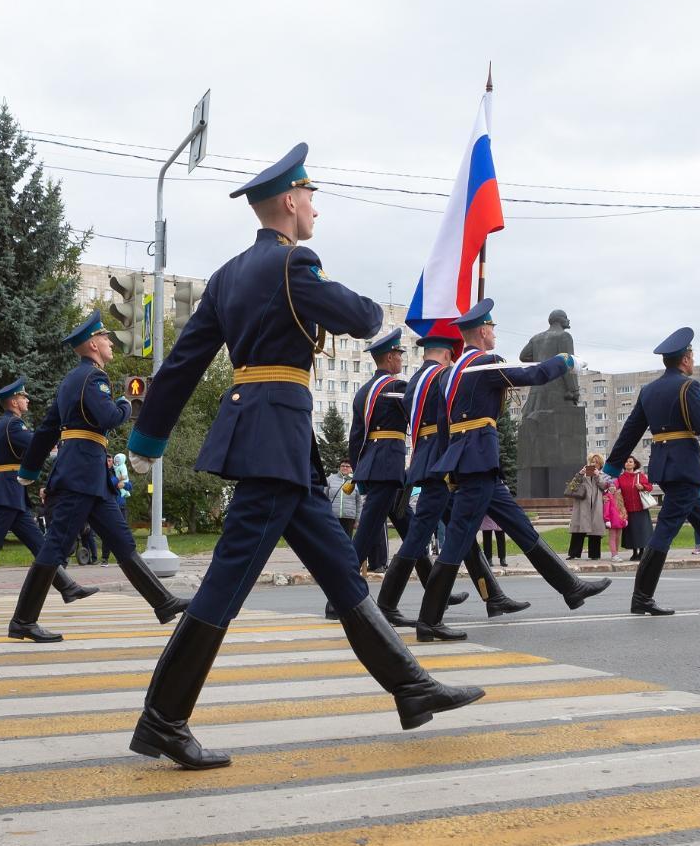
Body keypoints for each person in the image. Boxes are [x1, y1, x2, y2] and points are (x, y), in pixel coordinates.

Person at [123, 143, 484, 768]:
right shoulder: (294, 264)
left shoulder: (229, 275)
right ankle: (162, 719)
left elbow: (183, 363)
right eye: (311, 196)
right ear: (290, 201)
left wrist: (147, 438)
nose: (315, 207)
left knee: (343, 571)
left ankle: (411, 688)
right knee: (223, 588)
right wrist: (379, 305)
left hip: (273, 442)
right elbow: (360, 315)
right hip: (272, 445)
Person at [411, 299, 610, 639]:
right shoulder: (483, 364)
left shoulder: (452, 373)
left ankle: (570, 587)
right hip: (476, 462)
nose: (494, 333)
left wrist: (449, 466)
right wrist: (566, 361)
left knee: (521, 528)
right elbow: (532, 374)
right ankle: (428, 621)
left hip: (473, 462)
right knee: (457, 542)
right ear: (484, 331)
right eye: (492, 328)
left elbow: (444, 425)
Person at [10, 312, 188, 641]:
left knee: (122, 543)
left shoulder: (70, 381)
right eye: (106, 338)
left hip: (88, 476)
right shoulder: (93, 379)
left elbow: (48, 429)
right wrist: (124, 404)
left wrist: (29, 470)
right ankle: (22, 621)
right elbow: (108, 416)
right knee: (54, 548)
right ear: (93, 344)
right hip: (80, 476)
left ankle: (162, 603)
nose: (110, 343)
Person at [607, 327, 700, 615]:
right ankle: (641, 597)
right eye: (692, 355)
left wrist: (612, 466)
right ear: (685, 359)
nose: (692, 360)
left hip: (665, 467)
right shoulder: (688, 387)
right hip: (685, 468)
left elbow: (630, 431)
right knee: (664, 531)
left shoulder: (649, 390)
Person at [374, 327, 514, 628]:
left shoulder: (416, 381)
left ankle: (493, 597)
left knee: (458, 534)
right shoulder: (439, 378)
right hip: (443, 462)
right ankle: (394, 607)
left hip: (430, 462)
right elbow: (449, 419)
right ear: (450, 353)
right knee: (428, 535)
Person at [0, 377, 95, 616]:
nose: (27, 400)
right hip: (6, 494)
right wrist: (63, 444)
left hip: (10, 494)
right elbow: (37, 444)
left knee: (40, 544)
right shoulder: (14, 427)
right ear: (14, 402)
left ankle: (67, 587)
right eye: (23, 397)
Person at [347, 327, 412, 587]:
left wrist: (359, 469)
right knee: (365, 536)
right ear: (389, 358)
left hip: (376, 468)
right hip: (388, 467)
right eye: (398, 354)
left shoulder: (364, 391)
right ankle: (338, 596)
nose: (400, 359)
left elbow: (355, 437)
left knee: (412, 529)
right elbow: (420, 413)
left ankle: (435, 587)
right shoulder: (396, 386)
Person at [566, 455, 608, 560]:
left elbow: (604, 486)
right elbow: (572, 487)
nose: (594, 464)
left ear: (600, 464)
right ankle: (573, 554)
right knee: (578, 530)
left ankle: (594, 555)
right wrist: (580, 474)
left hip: (596, 506)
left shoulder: (603, 475)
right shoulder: (582, 475)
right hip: (582, 505)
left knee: (595, 531)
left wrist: (598, 476)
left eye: (596, 462)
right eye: (592, 462)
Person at [618, 458, 653, 560]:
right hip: (628, 508)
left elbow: (650, 487)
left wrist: (642, 487)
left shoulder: (640, 476)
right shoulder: (621, 478)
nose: (628, 463)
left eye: (630, 462)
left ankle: (642, 552)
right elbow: (615, 488)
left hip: (641, 508)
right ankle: (634, 552)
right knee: (631, 532)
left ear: (634, 464)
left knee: (642, 531)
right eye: (626, 461)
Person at [326, 460, 360, 540]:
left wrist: (357, 520)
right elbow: (324, 497)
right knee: (332, 539)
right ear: (339, 467)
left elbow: (359, 503)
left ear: (351, 468)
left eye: (347, 466)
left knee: (347, 540)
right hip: (333, 516)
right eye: (342, 466)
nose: (345, 467)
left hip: (349, 517)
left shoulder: (355, 481)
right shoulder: (330, 479)